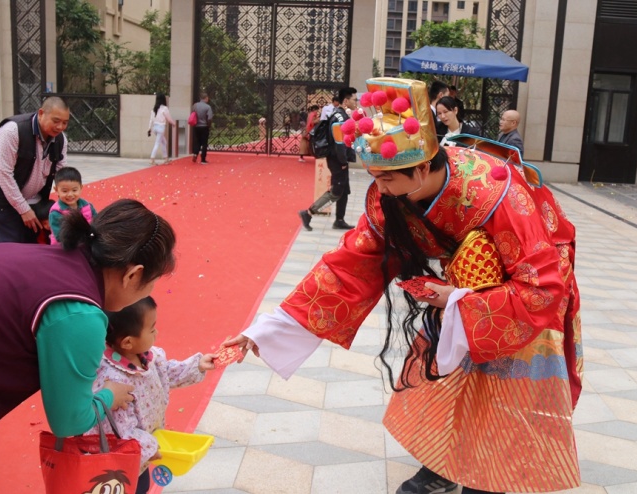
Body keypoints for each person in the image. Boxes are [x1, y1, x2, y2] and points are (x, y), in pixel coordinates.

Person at [227, 77, 582, 494]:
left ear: (422, 167)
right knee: (447, 365)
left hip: (527, 284)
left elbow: (541, 286)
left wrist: (458, 300)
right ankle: (443, 463)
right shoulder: (393, 196)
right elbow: (349, 266)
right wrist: (267, 329)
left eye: (387, 179)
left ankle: (489, 473)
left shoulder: (496, 191)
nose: (379, 189)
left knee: (503, 381)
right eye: (375, 177)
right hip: (465, 283)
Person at [0, 198, 177, 493]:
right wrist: (108, 396)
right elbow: (69, 421)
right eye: (152, 282)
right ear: (133, 275)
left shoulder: (54, 259)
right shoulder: (80, 314)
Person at [89, 296, 216, 494]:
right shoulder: (114, 381)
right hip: (121, 462)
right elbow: (119, 430)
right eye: (151, 329)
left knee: (142, 485)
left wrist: (197, 366)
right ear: (128, 342)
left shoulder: (147, 357)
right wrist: (150, 447)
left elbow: (166, 373)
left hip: (142, 455)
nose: (157, 333)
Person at [0, 96, 69, 244]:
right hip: (2, 195)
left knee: (31, 243)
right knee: (9, 245)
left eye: (65, 122)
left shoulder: (60, 139)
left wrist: (69, 199)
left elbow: (61, 172)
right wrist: (24, 209)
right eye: (56, 121)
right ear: (41, 113)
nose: (60, 127)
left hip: (33, 197)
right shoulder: (13, 130)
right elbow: (4, 174)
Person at [298, 87, 357, 232]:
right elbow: (339, 143)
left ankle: (339, 220)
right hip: (337, 160)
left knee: (344, 190)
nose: (356, 102)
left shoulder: (340, 115)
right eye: (354, 100)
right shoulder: (339, 118)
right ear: (346, 101)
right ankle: (308, 213)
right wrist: (343, 162)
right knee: (336, 192)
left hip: (339, 158)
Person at [48, 166, 97, 244]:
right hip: (64, 247)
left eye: (74, 190)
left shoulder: (88, 206)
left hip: (86, 243)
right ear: (56, 190)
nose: (70, 194)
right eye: (65, 191)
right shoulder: (56, 212)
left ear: (81, 188)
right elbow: (59, 237)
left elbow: (97, 222)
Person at [147, 93, 176, 166]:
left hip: (155, 128)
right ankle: (152, 159)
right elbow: (169, 118)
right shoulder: (164, 108)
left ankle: (166, 159)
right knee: (157, 143)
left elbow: (151, 120)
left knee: (164, 142)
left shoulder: (154, 109)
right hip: (161, 127)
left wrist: (149, 128)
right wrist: (173, 123)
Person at [191, 92, 213, 164]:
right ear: (206, 98)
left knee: (197, 141)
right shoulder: (208, 107)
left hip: (196, 126)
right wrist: (209, 126)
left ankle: (195, 153)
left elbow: (192, 114)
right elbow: (209, 118)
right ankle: (203, 159)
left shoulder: (195, 105)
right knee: (204, 143)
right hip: (204, 126)